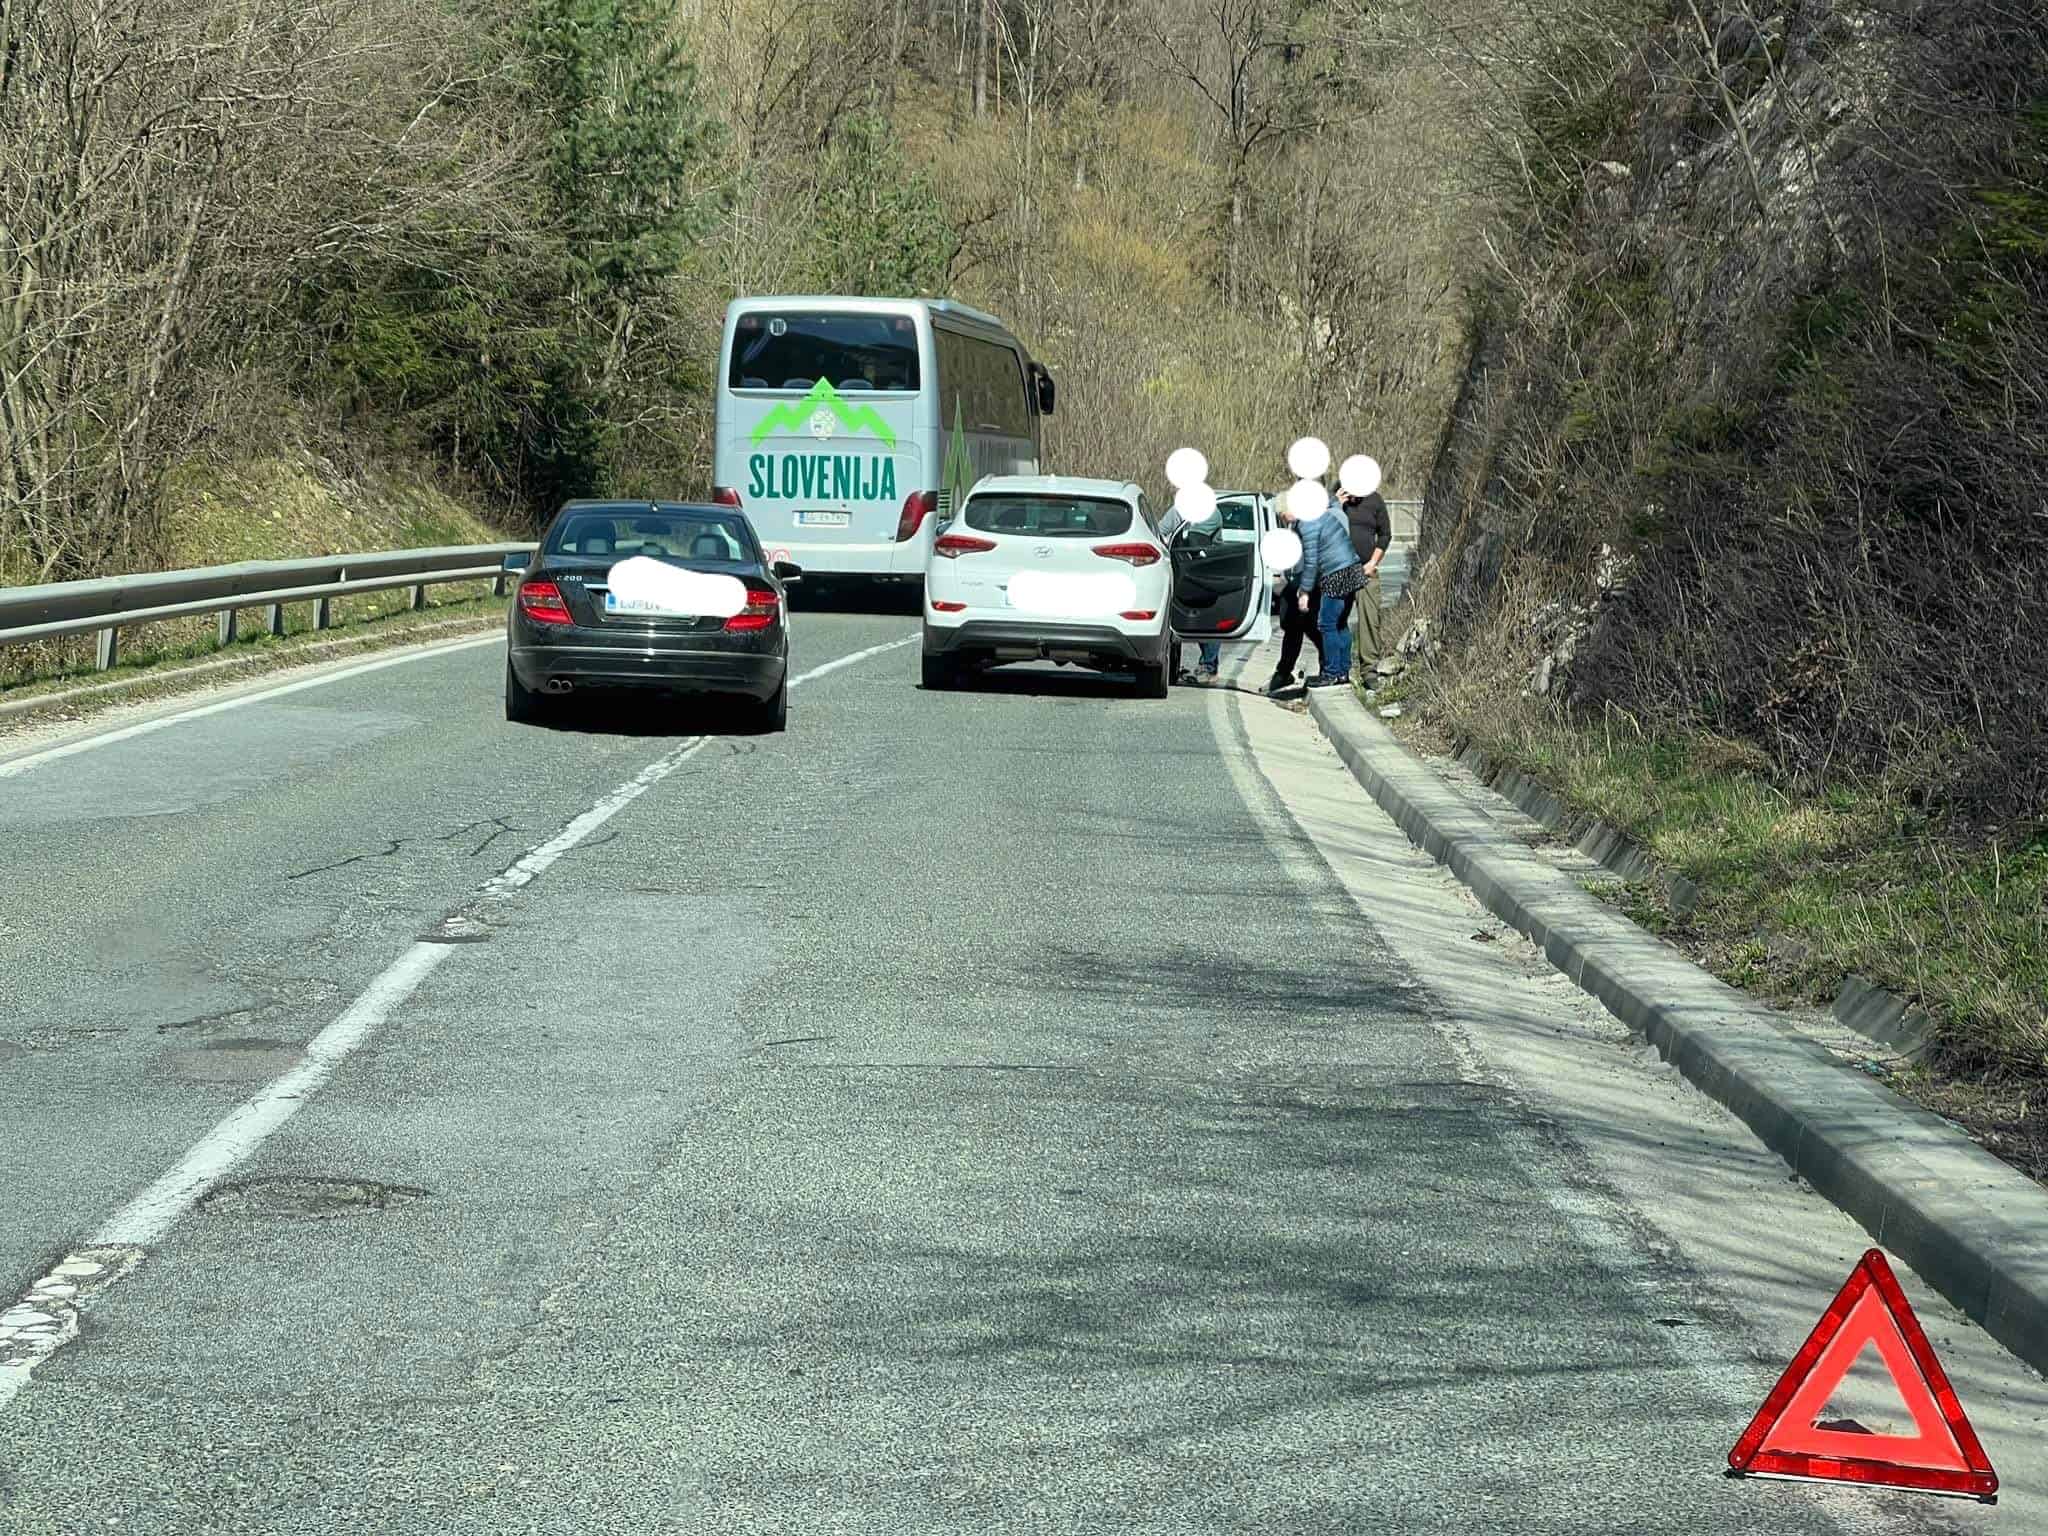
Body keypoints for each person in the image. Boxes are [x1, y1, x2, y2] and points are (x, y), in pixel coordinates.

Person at [1294, 482, 1365, 688]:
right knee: (1340, 622)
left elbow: (1311, 561)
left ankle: (1331, 672)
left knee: (1326, 624)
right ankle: (1343, 672)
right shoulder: (1329, 514)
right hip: (1352, 568)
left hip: (1336, 573)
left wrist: (1305, 590)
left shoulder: (1308, 521)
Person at [1263, 498, 1326, 695]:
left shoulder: (1306, 525)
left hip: (1308, 582)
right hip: (1298, 581)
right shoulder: (1296, 524)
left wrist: (1304, 589)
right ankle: (1284, 671)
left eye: (1283, 514)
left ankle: (1327, 666)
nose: (1283, 519)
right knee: (1295, 627)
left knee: (1311, 627)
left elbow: (1312, 560)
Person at [1340, 486, 1391, 674]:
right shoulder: (1336, 499)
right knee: (1334, 621)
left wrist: (1373, 563)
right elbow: (1321, 525)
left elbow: (1385, 534)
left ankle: (1369, 669)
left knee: (1370, 619)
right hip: (1339, 569)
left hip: (1366, 569)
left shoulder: (1375, 500)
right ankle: (1337, 669)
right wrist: (1336, 504)